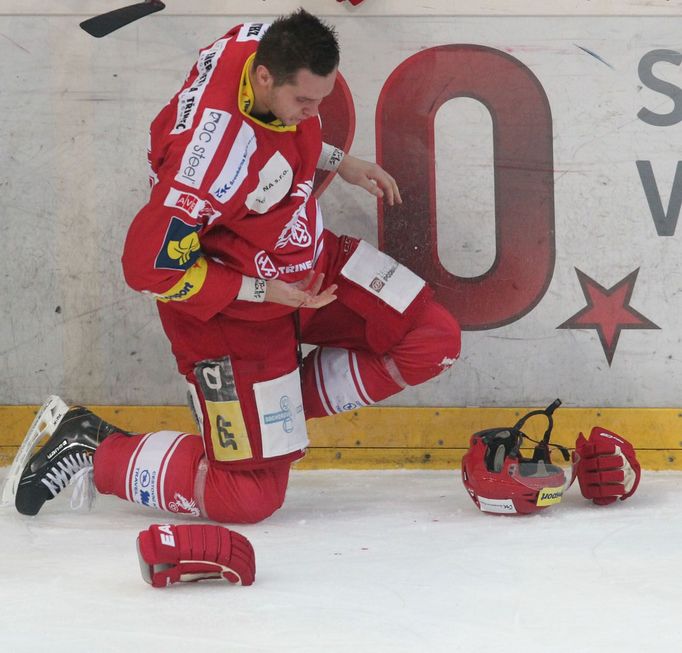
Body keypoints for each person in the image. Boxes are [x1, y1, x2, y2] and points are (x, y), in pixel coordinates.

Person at [13, 9, 461, 523]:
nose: (313, 112)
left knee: (433, 339)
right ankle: (92, 444)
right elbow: (148, 271)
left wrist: (339, 160)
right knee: (246, 499)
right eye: (305, 102)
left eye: (322, 99)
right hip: (236, 315)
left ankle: (272, 408)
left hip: (310, 263)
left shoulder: (255, 41)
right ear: (266, 77)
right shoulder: (205, 167)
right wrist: (261, 290)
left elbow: (277, 139)